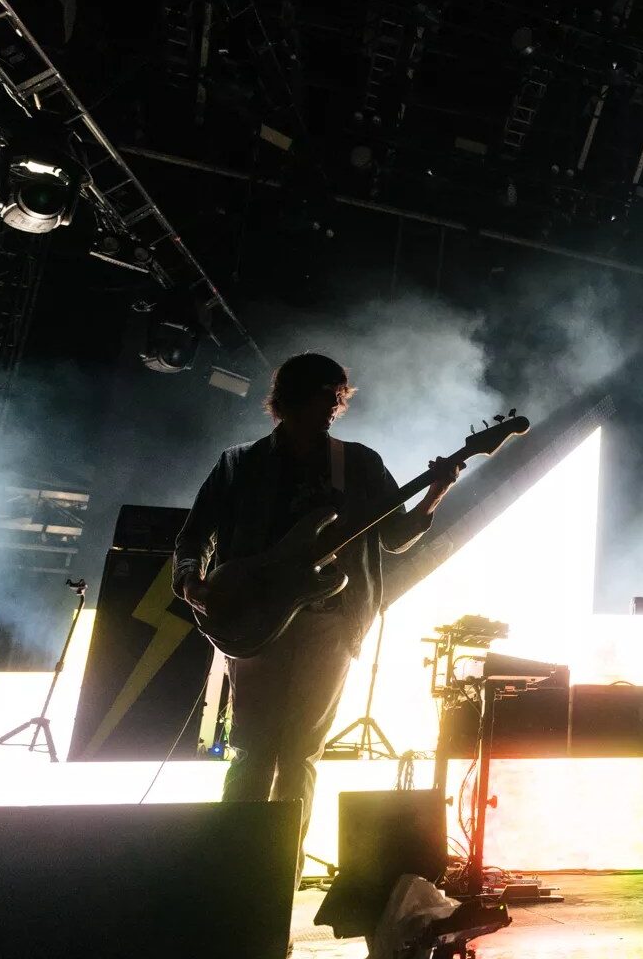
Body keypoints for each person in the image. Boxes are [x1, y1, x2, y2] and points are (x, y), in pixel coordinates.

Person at [173, 353, 462, 870]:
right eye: (324, 396)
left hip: (330, 621)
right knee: (253, 749)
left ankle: (280, 868)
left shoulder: (359, 464)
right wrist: (191, 584)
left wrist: (438, 490)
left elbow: (395, 538)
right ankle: (230, 867)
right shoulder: (239, 463)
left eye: (338, 398)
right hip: (253, 620)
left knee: (301, 751)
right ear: (289, 398)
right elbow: (192, 537)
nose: (333, 407)